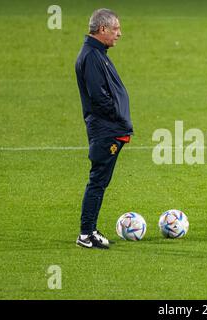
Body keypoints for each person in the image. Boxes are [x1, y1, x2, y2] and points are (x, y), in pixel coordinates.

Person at [75, 8, 133, 249]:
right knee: (98, 181)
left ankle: (90, 230)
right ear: (102, 29)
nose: (119, 33)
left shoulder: (97, 53)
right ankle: (86, 234)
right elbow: (99, 97)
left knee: (100, 181)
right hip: (105, 130)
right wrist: (117, 116)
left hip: (110, 127)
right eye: (115, 28)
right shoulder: (91, 56)